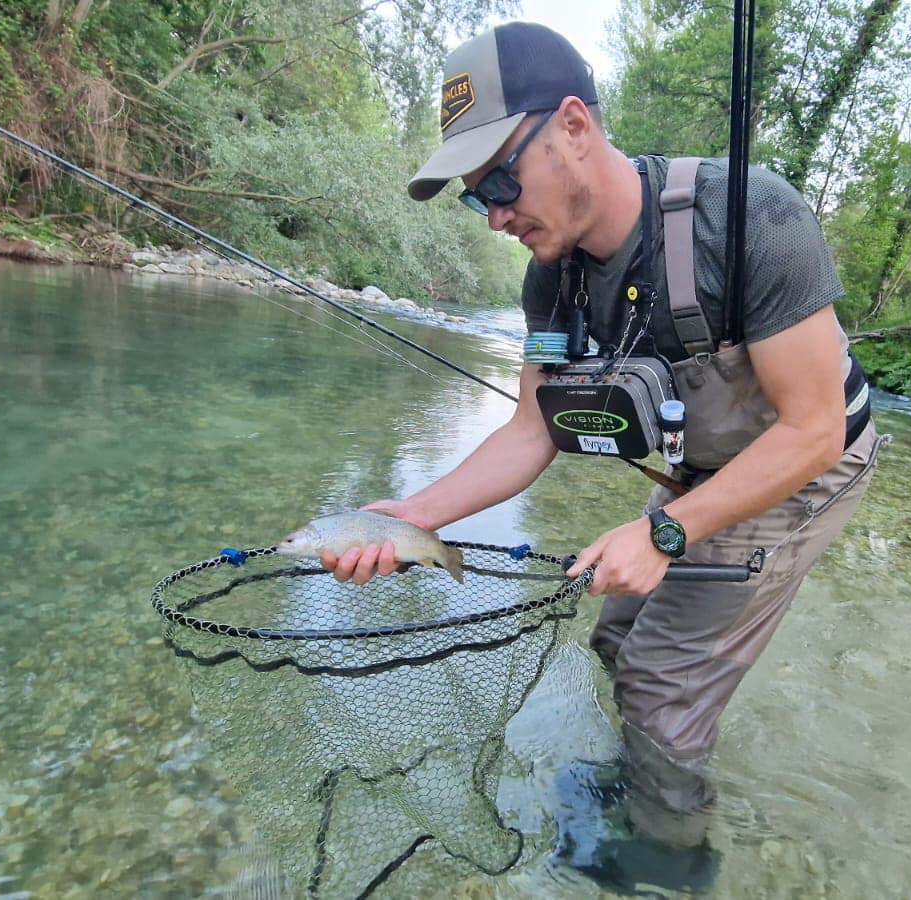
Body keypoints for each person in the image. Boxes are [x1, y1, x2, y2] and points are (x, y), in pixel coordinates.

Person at [321, 20, 882, 889]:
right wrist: (415, 516)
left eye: (500, 180)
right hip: (705, 467)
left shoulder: (750, 217)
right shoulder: (550, 278)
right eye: (477, 198)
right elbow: (530, 428)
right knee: (616, 637)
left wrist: (664, 536)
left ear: (575, 127)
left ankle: (666, 865)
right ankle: (643, 784)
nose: (496, 213)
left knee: (658, 684)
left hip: (811, 460)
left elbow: (812, 430)